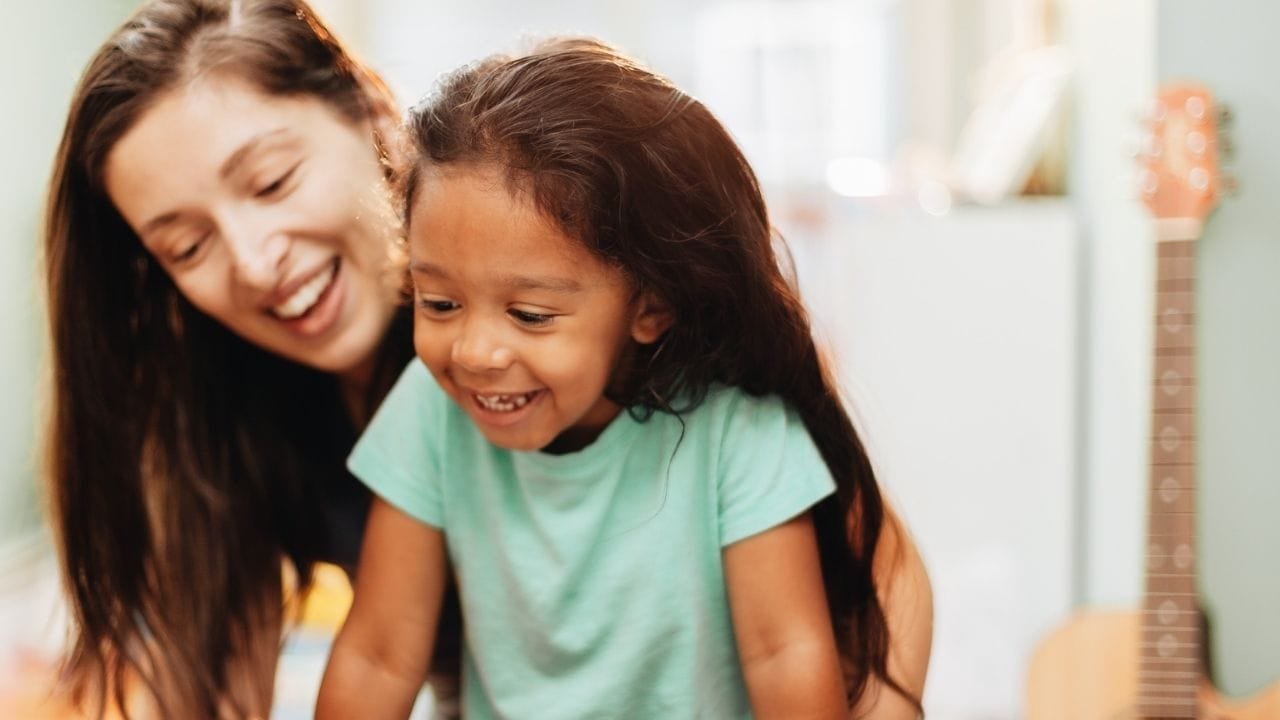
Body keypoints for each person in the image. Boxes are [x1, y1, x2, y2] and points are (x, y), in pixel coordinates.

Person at [319, 38, 932, 720]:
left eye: (530, 314)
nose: (474, 351)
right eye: (439, 303)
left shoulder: (738, 430)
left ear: (650, 307)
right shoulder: (428, 412)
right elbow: (378, 654)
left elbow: (785, 653)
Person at [41, 1, 468, 716]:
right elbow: (204, 689)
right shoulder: (220, 401)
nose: (254, 263)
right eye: (186, 246)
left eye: (271, 182)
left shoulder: (524, 342)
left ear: (373, 115)